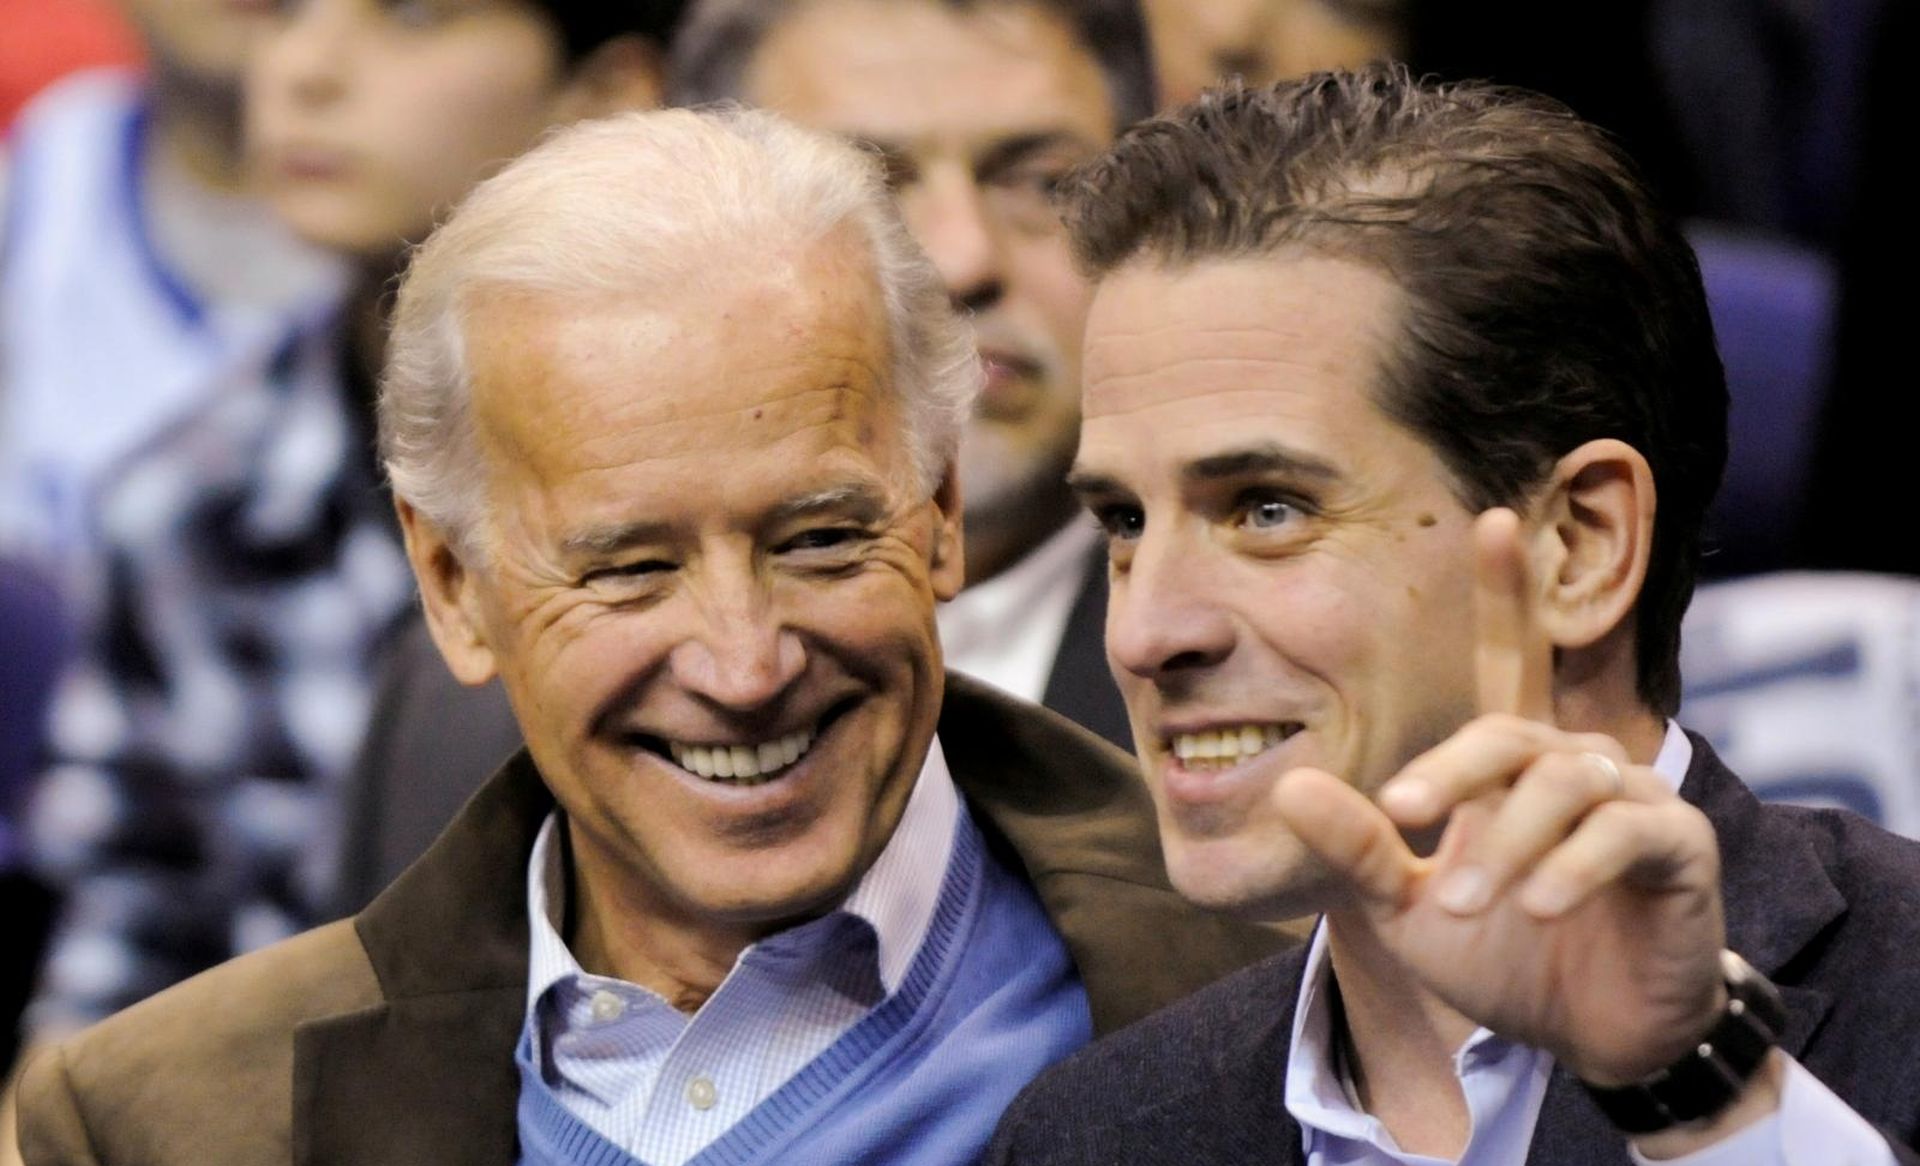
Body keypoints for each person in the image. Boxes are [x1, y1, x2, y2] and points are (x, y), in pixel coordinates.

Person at [15, 106, 1284, 1166]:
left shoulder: (1297, 1015)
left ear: (940, 509)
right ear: (453, 583)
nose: (746, 665)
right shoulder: (159, 1123)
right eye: (630, 570)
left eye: (819, 540)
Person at [986, 66, 1920, 1164]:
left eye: (1267, 508)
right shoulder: (1090, 1138)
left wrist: (1697, 1090)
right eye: (1126, 520)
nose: (1145, 634)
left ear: (1578, 546)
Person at [336, 0, 1160, 912]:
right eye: (869, 184)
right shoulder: (450, 722)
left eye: (1042, 181)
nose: (961, 258)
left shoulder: (1245, 659)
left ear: (941, 507)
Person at [8, 0, 680, 1049]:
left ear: (605, 93)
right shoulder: (189, 499)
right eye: (284, 12)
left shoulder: (725, 485)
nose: (305, 70)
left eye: (410, 17)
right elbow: (132, 941)